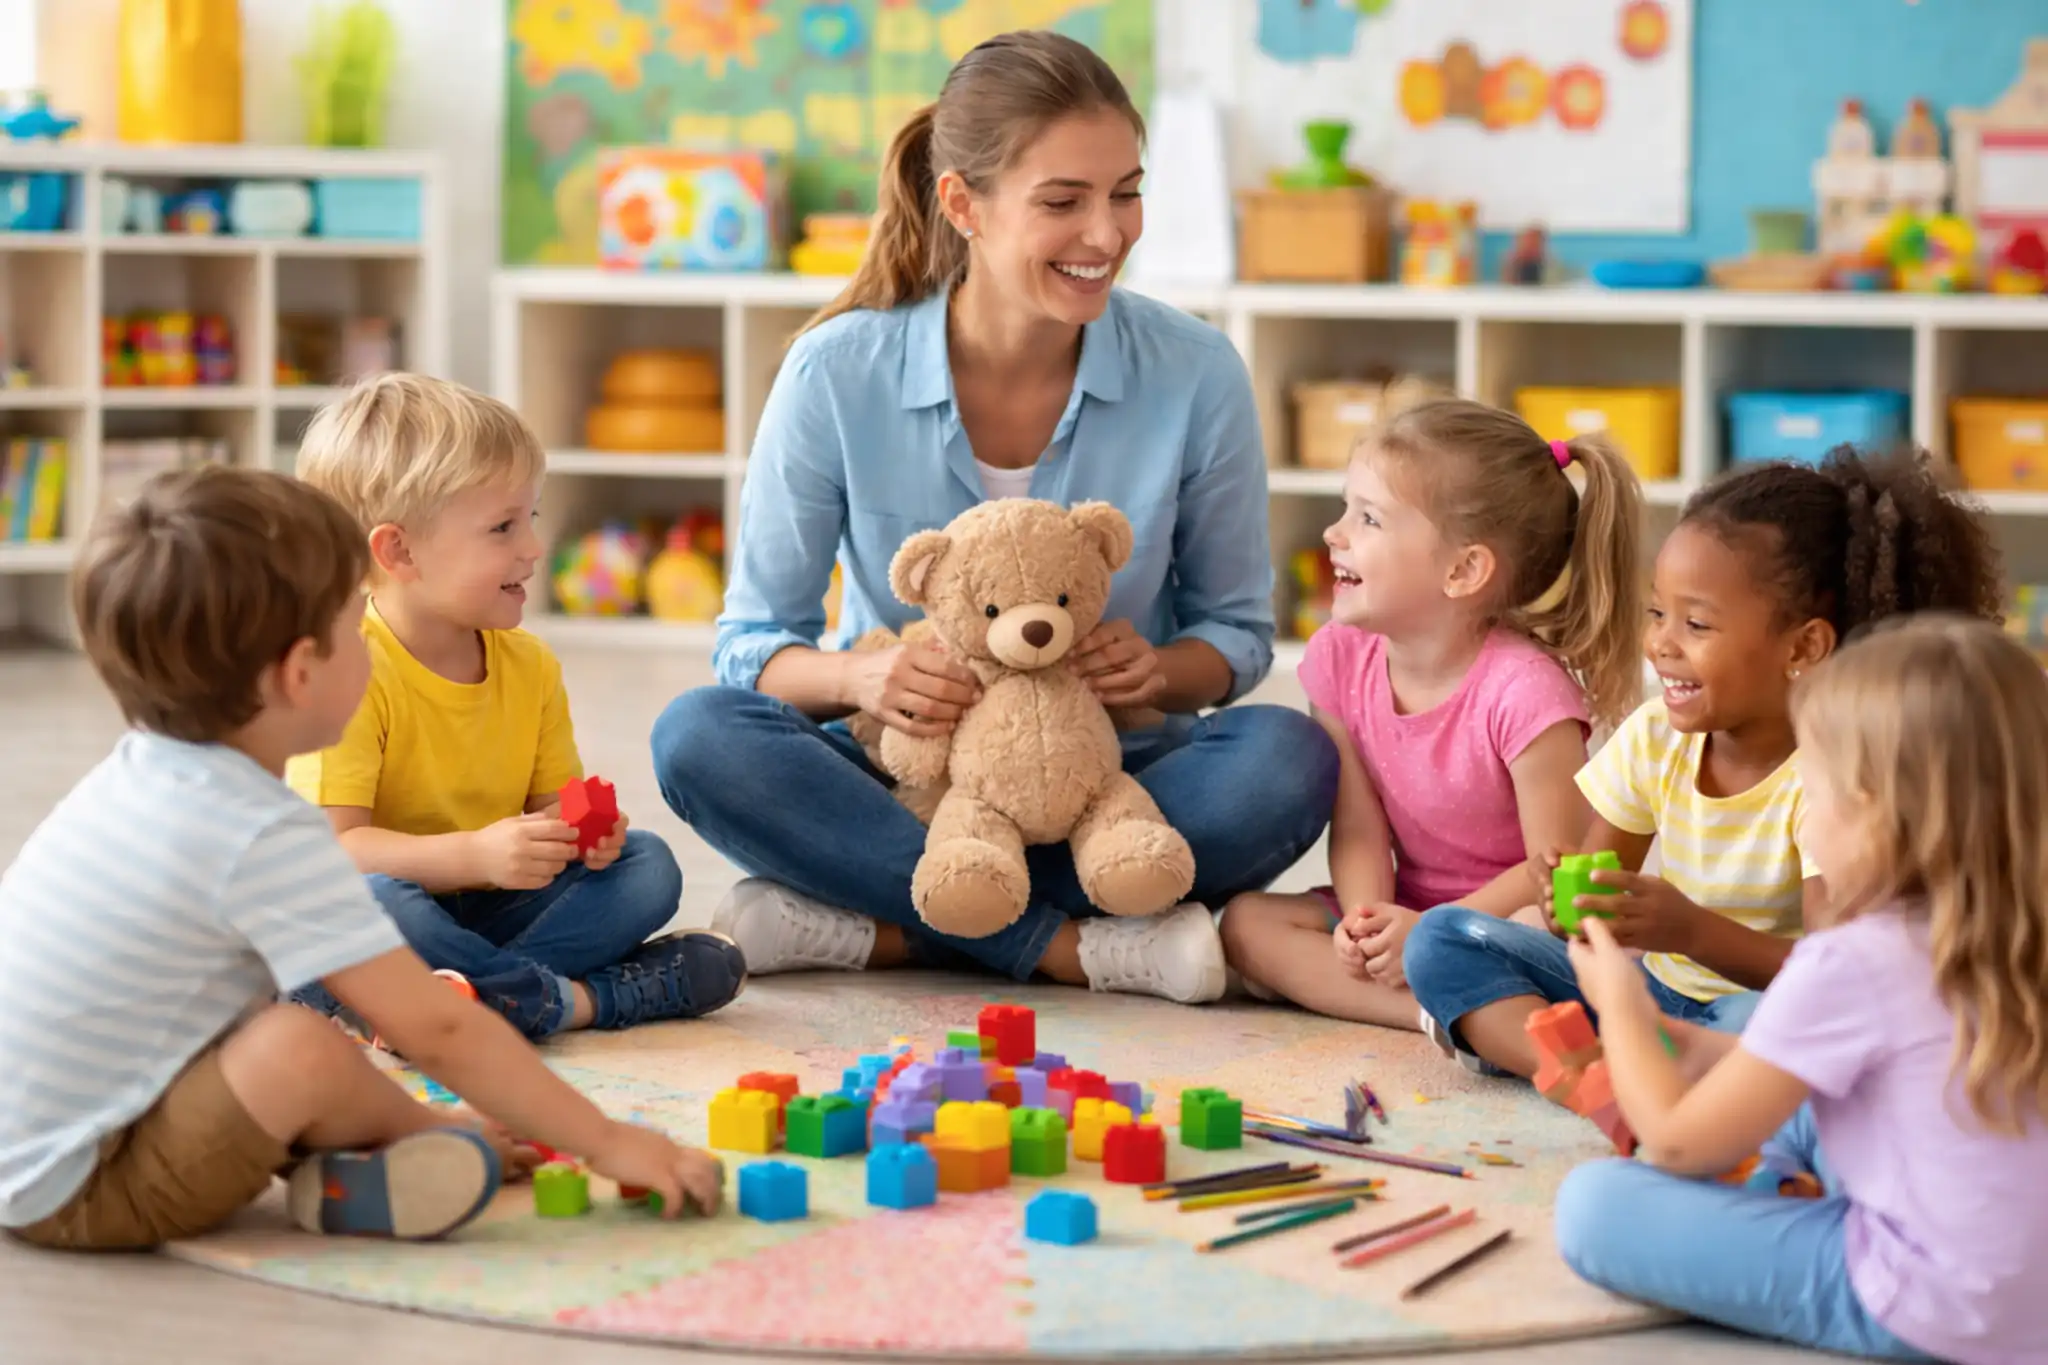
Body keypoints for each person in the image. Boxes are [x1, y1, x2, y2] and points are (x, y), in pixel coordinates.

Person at [651, 29, 1335, 1004]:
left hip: (1106, 765)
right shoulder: (836, 372)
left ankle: (884, 927)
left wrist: (1161, 670)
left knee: (1287, 759)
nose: (1106, 235)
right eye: (1063, 201)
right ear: (963, 204)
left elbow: (1232, 635)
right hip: (907, 772)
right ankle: (1071, 946)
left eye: (1125, 193)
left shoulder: (1196, 373)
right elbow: (754, 643)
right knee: (698, 737)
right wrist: (862, 675)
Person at [0, 467, 723, 1252]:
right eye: (355, 628)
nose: (373, 645)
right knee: (299, 1045)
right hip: (82, 1185)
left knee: (290, 1028)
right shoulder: (258, 831)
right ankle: (418, 1134)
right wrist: (611, 1143)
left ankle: (381, 1158)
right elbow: (441, 1028)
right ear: (300, 671)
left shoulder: (141, 772)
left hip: (73, 1128)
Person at [1405, 447, 2005, 1077]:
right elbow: (1596, 912)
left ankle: (1642, 1075)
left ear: (1803, 645)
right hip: (1650, 999)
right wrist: (1573, 906)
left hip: (1758, 1011)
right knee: (1443, 939)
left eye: (1696, 624)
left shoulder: (1838, 777)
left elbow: (1834, 974)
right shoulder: (1656, 736)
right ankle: (1593, 1078)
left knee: (1766, 1030)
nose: (1661, 644)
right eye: (1659, 613)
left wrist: (1690, 930)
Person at [1555, 615, 2048, 1364]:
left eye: (1814, 797)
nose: (1805, 822)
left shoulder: (1853, 960)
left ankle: (1774, 1193)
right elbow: (1910, 1068)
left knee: (1594, 1206)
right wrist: (1715, 1050)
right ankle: (1774, 1159)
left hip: (1935, 1307)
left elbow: (1677, 1140)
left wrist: (1621, 999)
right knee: (1775, 1062)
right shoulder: (2013, 924)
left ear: (1880, 815)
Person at [287, 374, 746, 1042]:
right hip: (381, 916)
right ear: (399, 550)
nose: (533, 547)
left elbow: (551, 809)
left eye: (529, 516)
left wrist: (580, 834)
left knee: (648, 867)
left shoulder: (528, 665)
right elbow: (338, 851)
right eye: (503, 526)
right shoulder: (351, 666)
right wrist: (473, 854)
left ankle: (451, 1000)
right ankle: (583, 1001)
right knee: (378, 903)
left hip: (492, 910)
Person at [1218, 401, 1643, 1026]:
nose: (1335, 533)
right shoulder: (1340, 657)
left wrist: (1434, 931)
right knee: (1248, 923)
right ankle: (1441, 1012)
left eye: (1368, 518)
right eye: (1345, 508)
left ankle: (1458, 998)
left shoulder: (1526, 693)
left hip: (1501, 916)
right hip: (1410, 910)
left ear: (1463, 569)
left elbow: (1551, 875)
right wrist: (1368, 926)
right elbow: (1359, 826)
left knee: (1552, 939)